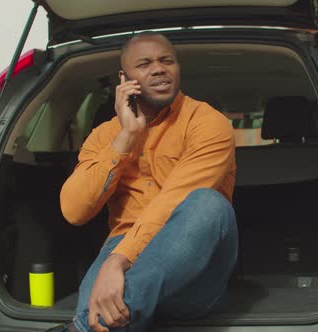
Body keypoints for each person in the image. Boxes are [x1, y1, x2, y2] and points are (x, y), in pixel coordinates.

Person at [57, 32, 238, 332]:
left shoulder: (207, 122)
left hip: (195, 274)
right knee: (108, 314)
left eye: (167, 60)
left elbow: (175, 199)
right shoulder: (105, 135)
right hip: (122, 246)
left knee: (208, 204)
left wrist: (116, 263)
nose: (158, 68)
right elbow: (74, 210)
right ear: (124, 78)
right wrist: (125, 138)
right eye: (144, 64)